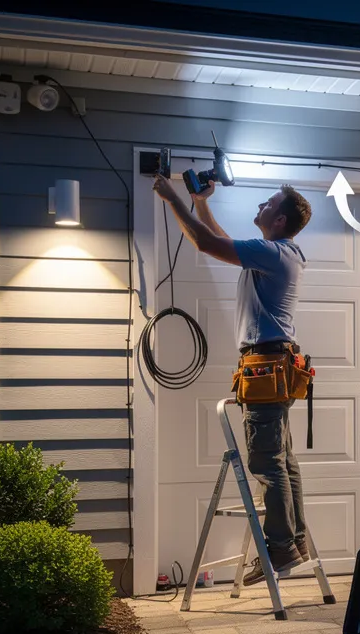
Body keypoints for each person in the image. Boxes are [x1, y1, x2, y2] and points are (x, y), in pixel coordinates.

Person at [153, 174, 314, 585]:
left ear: (278, 220)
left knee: (265, 461)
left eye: (267, 204)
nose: (260, 206)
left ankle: (279, 550)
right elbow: (220, 239)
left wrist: (173, 198)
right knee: (283, 461)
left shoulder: (274, 253)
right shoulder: (279, 252)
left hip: (265, 367)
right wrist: (199, 202)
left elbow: (208, 244)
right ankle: (294, 542)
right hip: (277, 365)